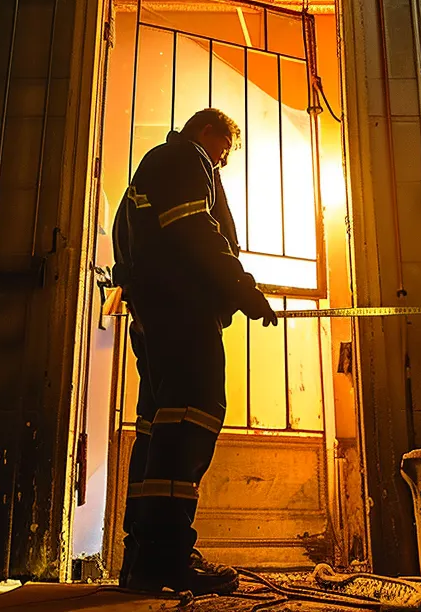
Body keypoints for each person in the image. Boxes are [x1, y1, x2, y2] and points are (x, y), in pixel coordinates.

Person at [111, 108, 278, 594]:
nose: (222, 162)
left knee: (158, 427)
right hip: (181, 315)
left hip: (157, 316)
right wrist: (243, 290)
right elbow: (197, 232)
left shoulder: (150, 172)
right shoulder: (184, 158)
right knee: (191, 420)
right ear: (207, 133)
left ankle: (143, 559)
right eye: (223, 150)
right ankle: (169, 558)